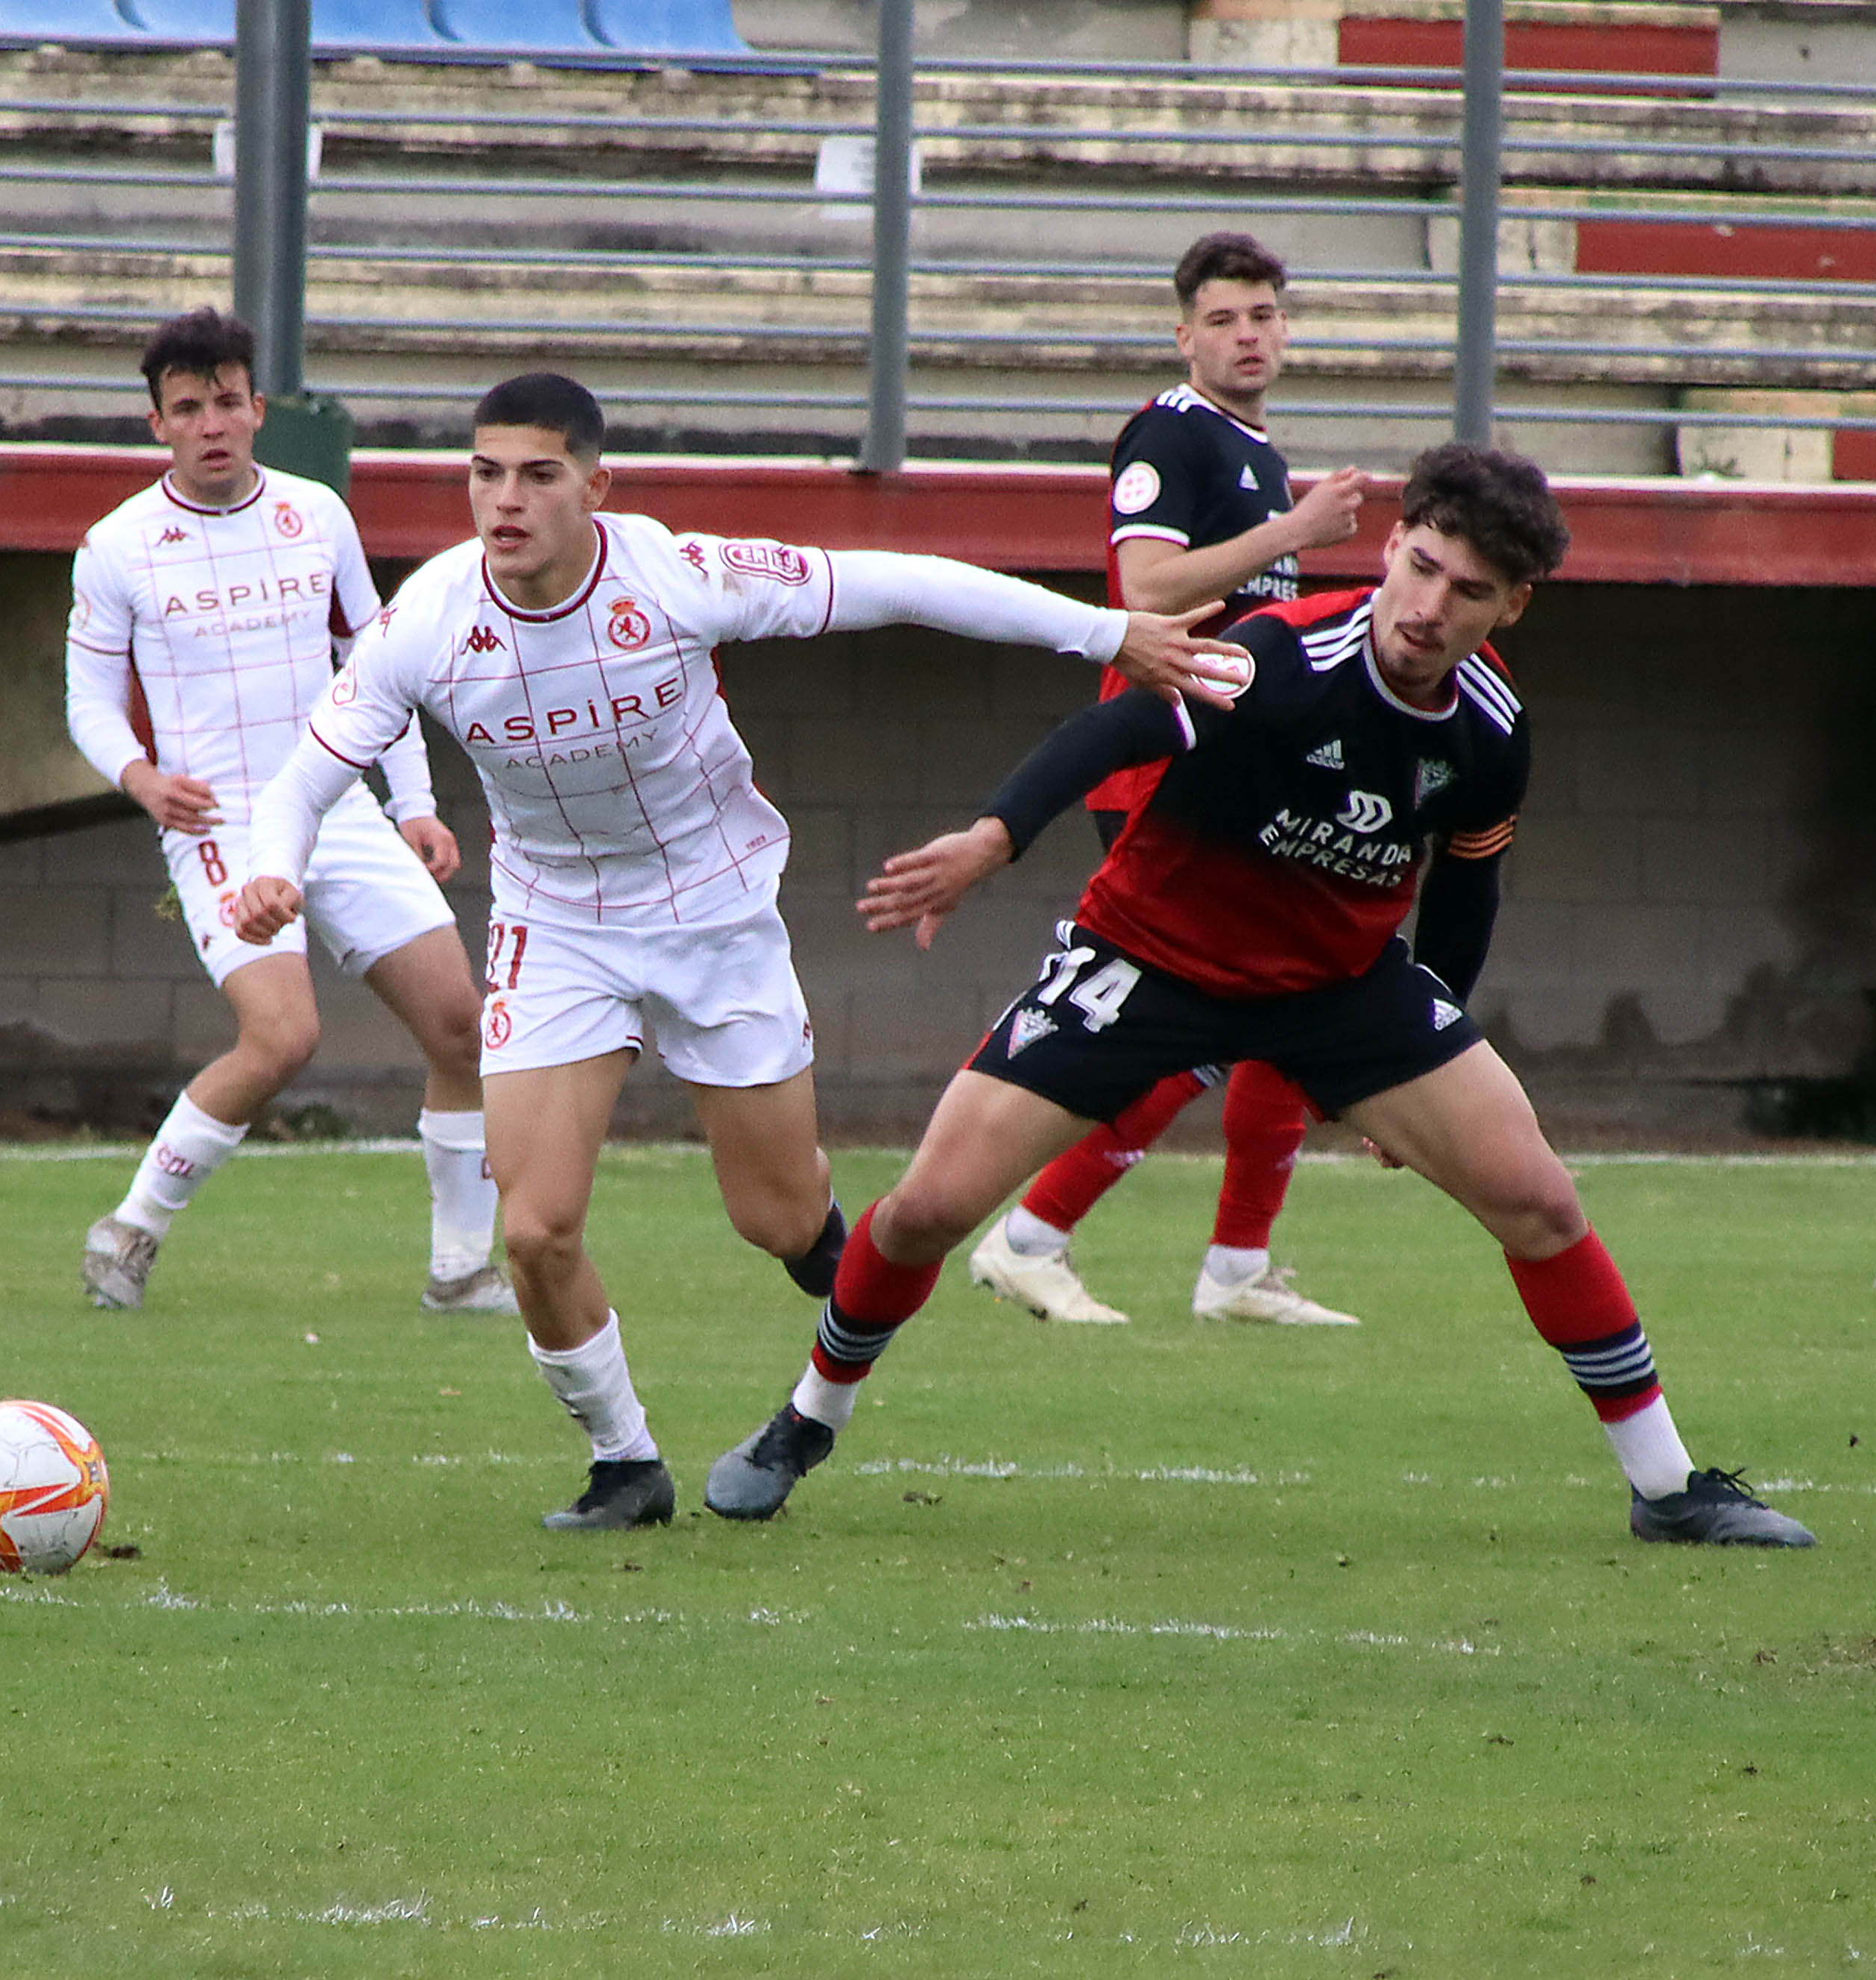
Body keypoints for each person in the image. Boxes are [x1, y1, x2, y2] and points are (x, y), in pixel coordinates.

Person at [701, 442, 1815, 1552]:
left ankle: (1668, 1487)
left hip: (1341, 989)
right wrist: (992, 839)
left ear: (1513, 604)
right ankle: (808, 1419)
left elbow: (1469, 884)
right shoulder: (1282, 657)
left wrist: (1437, 1042)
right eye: (1420, 567)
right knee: (930, 1210)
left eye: (1468, 590)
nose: (1429, 606)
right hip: (1147, 961)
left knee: (1542, 1201)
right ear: (1392, 545)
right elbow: (1118, 727)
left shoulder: (1491, 729)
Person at [238, 373, 1251, 1530]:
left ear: (596, 487)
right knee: (532, 1229)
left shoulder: (675, 576)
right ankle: (626, 1464)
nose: (504, 499)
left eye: (537, 474)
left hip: (714, 916)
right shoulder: (429, 619)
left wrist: (1107, 630)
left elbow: (898, 584)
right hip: (555, 927)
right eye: (484, 472)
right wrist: (274, 865)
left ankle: (826, 1248)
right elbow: (304, 777)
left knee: (774, 1220)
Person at [970, 232, 1377, 1331]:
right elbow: (1144, 582)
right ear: (1185, 334)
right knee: (1192, 1022)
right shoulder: (1172, 433)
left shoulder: (1256, 449)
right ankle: (1028, 1236)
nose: (1249, 336)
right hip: (1164, 764)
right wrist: (1295, 533)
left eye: (1265, 316)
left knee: (1299, 993)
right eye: (1227, 319)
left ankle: (1238, 1266)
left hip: (1244, 769)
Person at [70, 309, 512, 1315]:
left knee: (462, 1029)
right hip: (219, 823)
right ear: (160, 427)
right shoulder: (119, 546)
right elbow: (87, 701)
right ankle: (131, 1228)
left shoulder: (317, 513)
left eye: (228, 401)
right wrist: (143, 780)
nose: (212, 422)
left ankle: (458, 1268)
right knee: (282, 1039)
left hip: (333, 804)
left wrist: (415, 804)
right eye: (189, 408)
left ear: (258, 409)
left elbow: (375, 665)